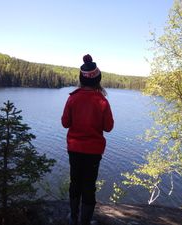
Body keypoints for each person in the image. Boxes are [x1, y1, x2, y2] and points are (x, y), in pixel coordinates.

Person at [61, 54, 114, 225]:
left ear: (81, 79)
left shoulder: (72, 98)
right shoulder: (102, 101)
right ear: (98, 79)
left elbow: (65, 123)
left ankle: (73, 217)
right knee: (89, 185)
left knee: (75, 181)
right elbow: (108, 127)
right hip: (93, 152)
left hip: (74, 149)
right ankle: (85, 221)